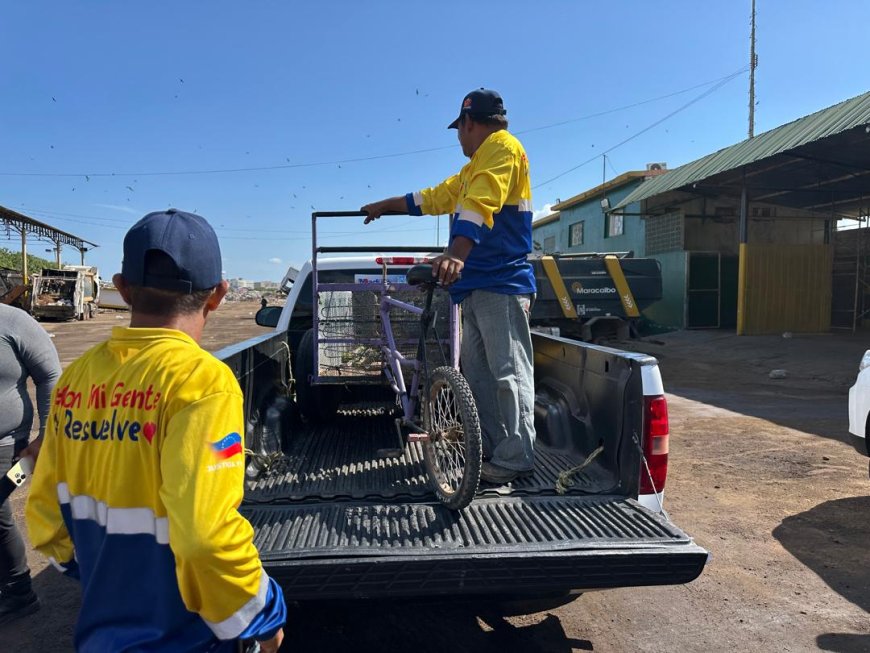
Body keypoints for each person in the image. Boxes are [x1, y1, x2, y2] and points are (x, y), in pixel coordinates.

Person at [25, 209, 286, 652]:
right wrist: (262, 616)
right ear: (219, 295)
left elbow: (46, 516)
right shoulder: (203, 383)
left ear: (122, 288)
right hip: (184, 638)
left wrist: (103, 576)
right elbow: (205, 537)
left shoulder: (79, 377)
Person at [361, 88, 537, 485]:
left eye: (459, 129)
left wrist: (456, 252)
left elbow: (481, 201)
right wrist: (383, 207)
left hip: (501, 283)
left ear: (469, 123)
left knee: (508, 374)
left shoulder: (502, 149)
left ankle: (516, 456)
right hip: (474, 287)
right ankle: (490, 448)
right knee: (479, 375)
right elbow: (432, 198)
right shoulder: (473, 166)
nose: (458, 137)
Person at [0, 303, 61, 624]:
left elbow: (50, 375)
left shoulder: (13, 321)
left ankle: (19, 590)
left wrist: (47, 436)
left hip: (14, 447)